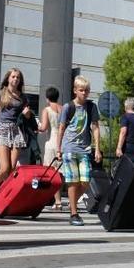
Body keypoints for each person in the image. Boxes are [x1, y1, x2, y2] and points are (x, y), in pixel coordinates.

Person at [55, 75, 101, 226]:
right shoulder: (68, 107)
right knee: (73, 182)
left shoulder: (91, 107)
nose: (84, 93)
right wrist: (58, 148)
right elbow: (61, 128)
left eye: (87, 90)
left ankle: (72, 201)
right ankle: (74, 214)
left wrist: (97, 149)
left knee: (85, 181)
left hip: (85, 149)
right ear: (75, 90)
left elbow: (95, 127)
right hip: (69, 148)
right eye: (81, 90)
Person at [0, 68, 31, 191]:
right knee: (4, 168)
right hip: (2, 127)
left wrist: (27, 113)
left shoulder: (23, 97)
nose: (15, 79)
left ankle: (2, 193)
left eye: (18, 77)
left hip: (15, 129)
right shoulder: (0, 94)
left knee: (13, 168)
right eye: (13, 76)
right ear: (8, 78)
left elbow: (28, 117)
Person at [37, 86, 63, 210]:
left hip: (52, 141)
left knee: (51, 173)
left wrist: (36, 126)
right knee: (60, 173)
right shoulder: (63, 109)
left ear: (47, 98)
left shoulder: (47, 110)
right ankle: (58, 200)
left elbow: (44, 127)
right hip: (62, 142)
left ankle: (56, 201)